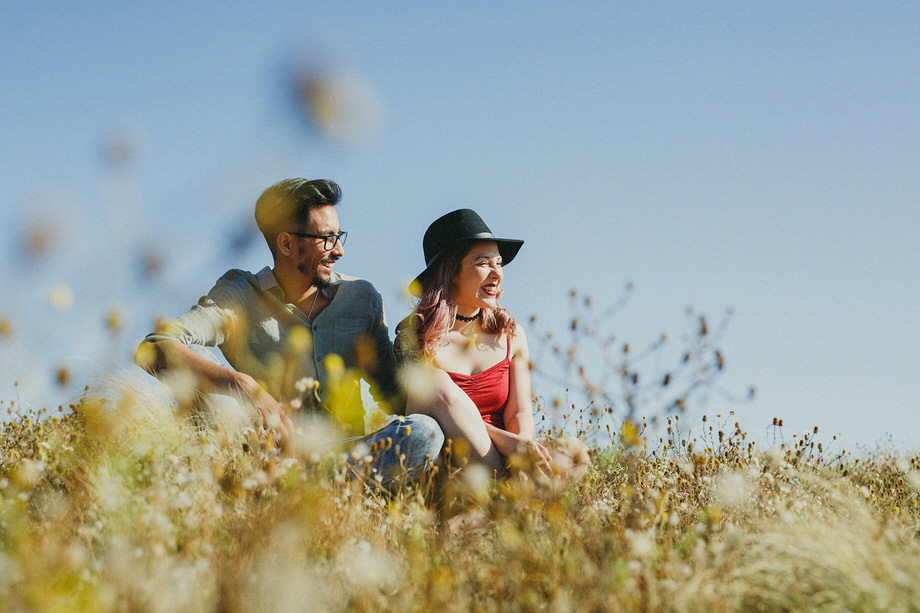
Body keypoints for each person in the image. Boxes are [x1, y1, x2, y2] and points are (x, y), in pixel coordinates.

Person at [135, 178, 444, 488]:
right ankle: (307, 494)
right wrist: (241, 384)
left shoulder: (362, 298)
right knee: (196, 364)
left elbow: (395, 396)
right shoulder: (241, 294)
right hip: (273, 456)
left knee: (424, 430)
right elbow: (154, 347)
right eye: (327, 239)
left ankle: (324, 492)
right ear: (286, 244)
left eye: (339, 236)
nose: (339, 251)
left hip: (353, 453)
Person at [395, 209, 589, 484]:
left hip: (507, 461)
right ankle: (501, 502)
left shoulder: (511, 334)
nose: (497, 273)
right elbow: (422, 415)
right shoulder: (416, 335)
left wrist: (521, 452)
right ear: (451, 272)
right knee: (438, 385)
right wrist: (506, 443)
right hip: (449, 467)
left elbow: (520, 411)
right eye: (483, 263)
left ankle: (492, 507)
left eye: (499, 263)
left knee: (575, 452)